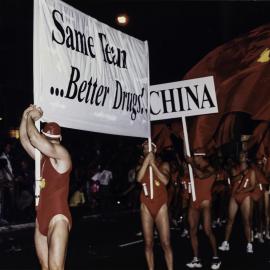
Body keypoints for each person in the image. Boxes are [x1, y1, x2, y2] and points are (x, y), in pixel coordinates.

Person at [19, 105, 72, 270]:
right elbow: (24, 138)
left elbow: (33, 139)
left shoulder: (62, 155)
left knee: (55, 267)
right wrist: (25, 114)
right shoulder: (41, 158)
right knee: (45, 266)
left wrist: (31, 118)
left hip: (58, 218)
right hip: (41, 216)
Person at [136, 141, 173, 270]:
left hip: (160, 205)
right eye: (144, 147)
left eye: (149, 147)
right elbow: (139, 179)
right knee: (148, 243)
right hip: (146, 205)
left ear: (155, 150)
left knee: (166, 243)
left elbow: (165, 180)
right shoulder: (140, 166)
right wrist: (147, 162)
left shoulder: (164, 164)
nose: (146, 149)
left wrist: (153, 165)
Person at [185, 152, 221, 270]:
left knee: (207, 230)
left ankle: (216, 257)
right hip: (193, 202)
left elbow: (201, 176)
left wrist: (191, 164)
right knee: (192, 230)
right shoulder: (194, 167)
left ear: (200, 157)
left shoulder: (210, 169)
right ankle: (196, 259)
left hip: (205, 202)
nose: (193, 158)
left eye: (194, 156)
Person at [219, 151, 255, 254]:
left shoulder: (251, 171)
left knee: (246, 221)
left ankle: (249, 244)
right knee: (230, 219)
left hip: (245, 196)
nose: (242, 156)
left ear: (247, 158)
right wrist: (242, 174)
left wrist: (243, 191)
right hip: (234, 196)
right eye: (240, 155)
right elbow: (233, 179)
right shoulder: (235, 168)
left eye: (244, 155)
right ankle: (225, 243)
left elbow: (252, 186)